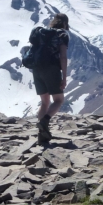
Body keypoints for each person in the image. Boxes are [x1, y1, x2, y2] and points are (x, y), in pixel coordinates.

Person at [29, 13, 69, 144]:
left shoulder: (41, 33)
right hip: (51, 68)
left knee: (44, 101)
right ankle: (45, 121)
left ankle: (42, 135)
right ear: (64, 23)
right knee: (58, 100)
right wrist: (64, 76)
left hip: (36, 68)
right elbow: (63, 56)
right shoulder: (62, 34)